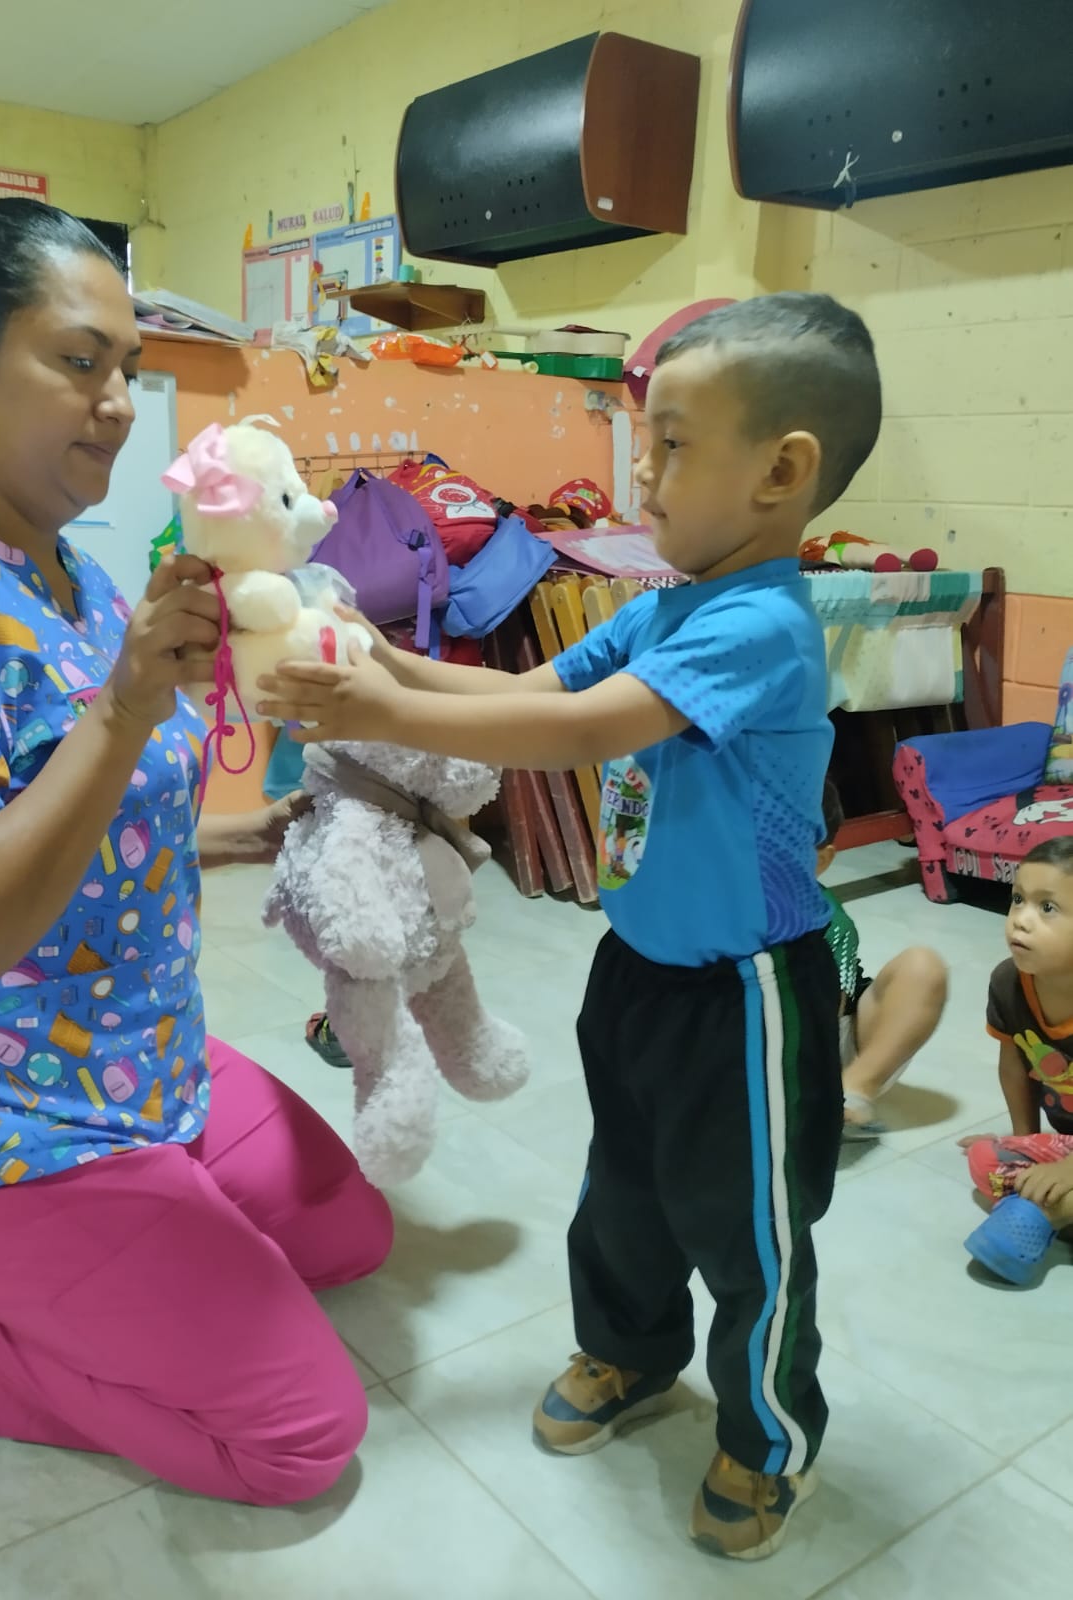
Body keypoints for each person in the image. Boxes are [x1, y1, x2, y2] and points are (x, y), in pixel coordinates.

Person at [260, 293, 883, 1560]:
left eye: (673, 444)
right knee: (624, 1191)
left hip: (743, 994)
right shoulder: (666, 604)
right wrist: (374, 661)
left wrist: (373, 707)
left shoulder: (761, 624)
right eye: (645, 441)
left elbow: (579, 729)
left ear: (781, 471)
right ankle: (629, 1351)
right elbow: (529, 687)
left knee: (748, 1231)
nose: (642, 471)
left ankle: (767, 1438)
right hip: (638, 966)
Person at [0, 199, 392, 1499]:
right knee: (301, 1438)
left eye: (127, 369)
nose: (113, 405)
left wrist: (240, 834)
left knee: (347, 1232)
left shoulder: (81, 575)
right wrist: (121, 707)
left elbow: (87, 817)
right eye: (77, 361)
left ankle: (87, 1266)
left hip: (134, 1053)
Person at [962, 837, 1073, 1285]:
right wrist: (1026, 1143)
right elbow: (1014, 1067)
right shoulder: (1008, 983)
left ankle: (1049, 1215)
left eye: (1048, 908)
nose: (1021, 920)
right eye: (1018, 899)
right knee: (986, 1160)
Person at [818, 781, 949, 1138]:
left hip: (824, 1041)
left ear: (820, 860)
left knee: (922, 967)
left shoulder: (829, 921)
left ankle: (852, 1092)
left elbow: (828, 1013)